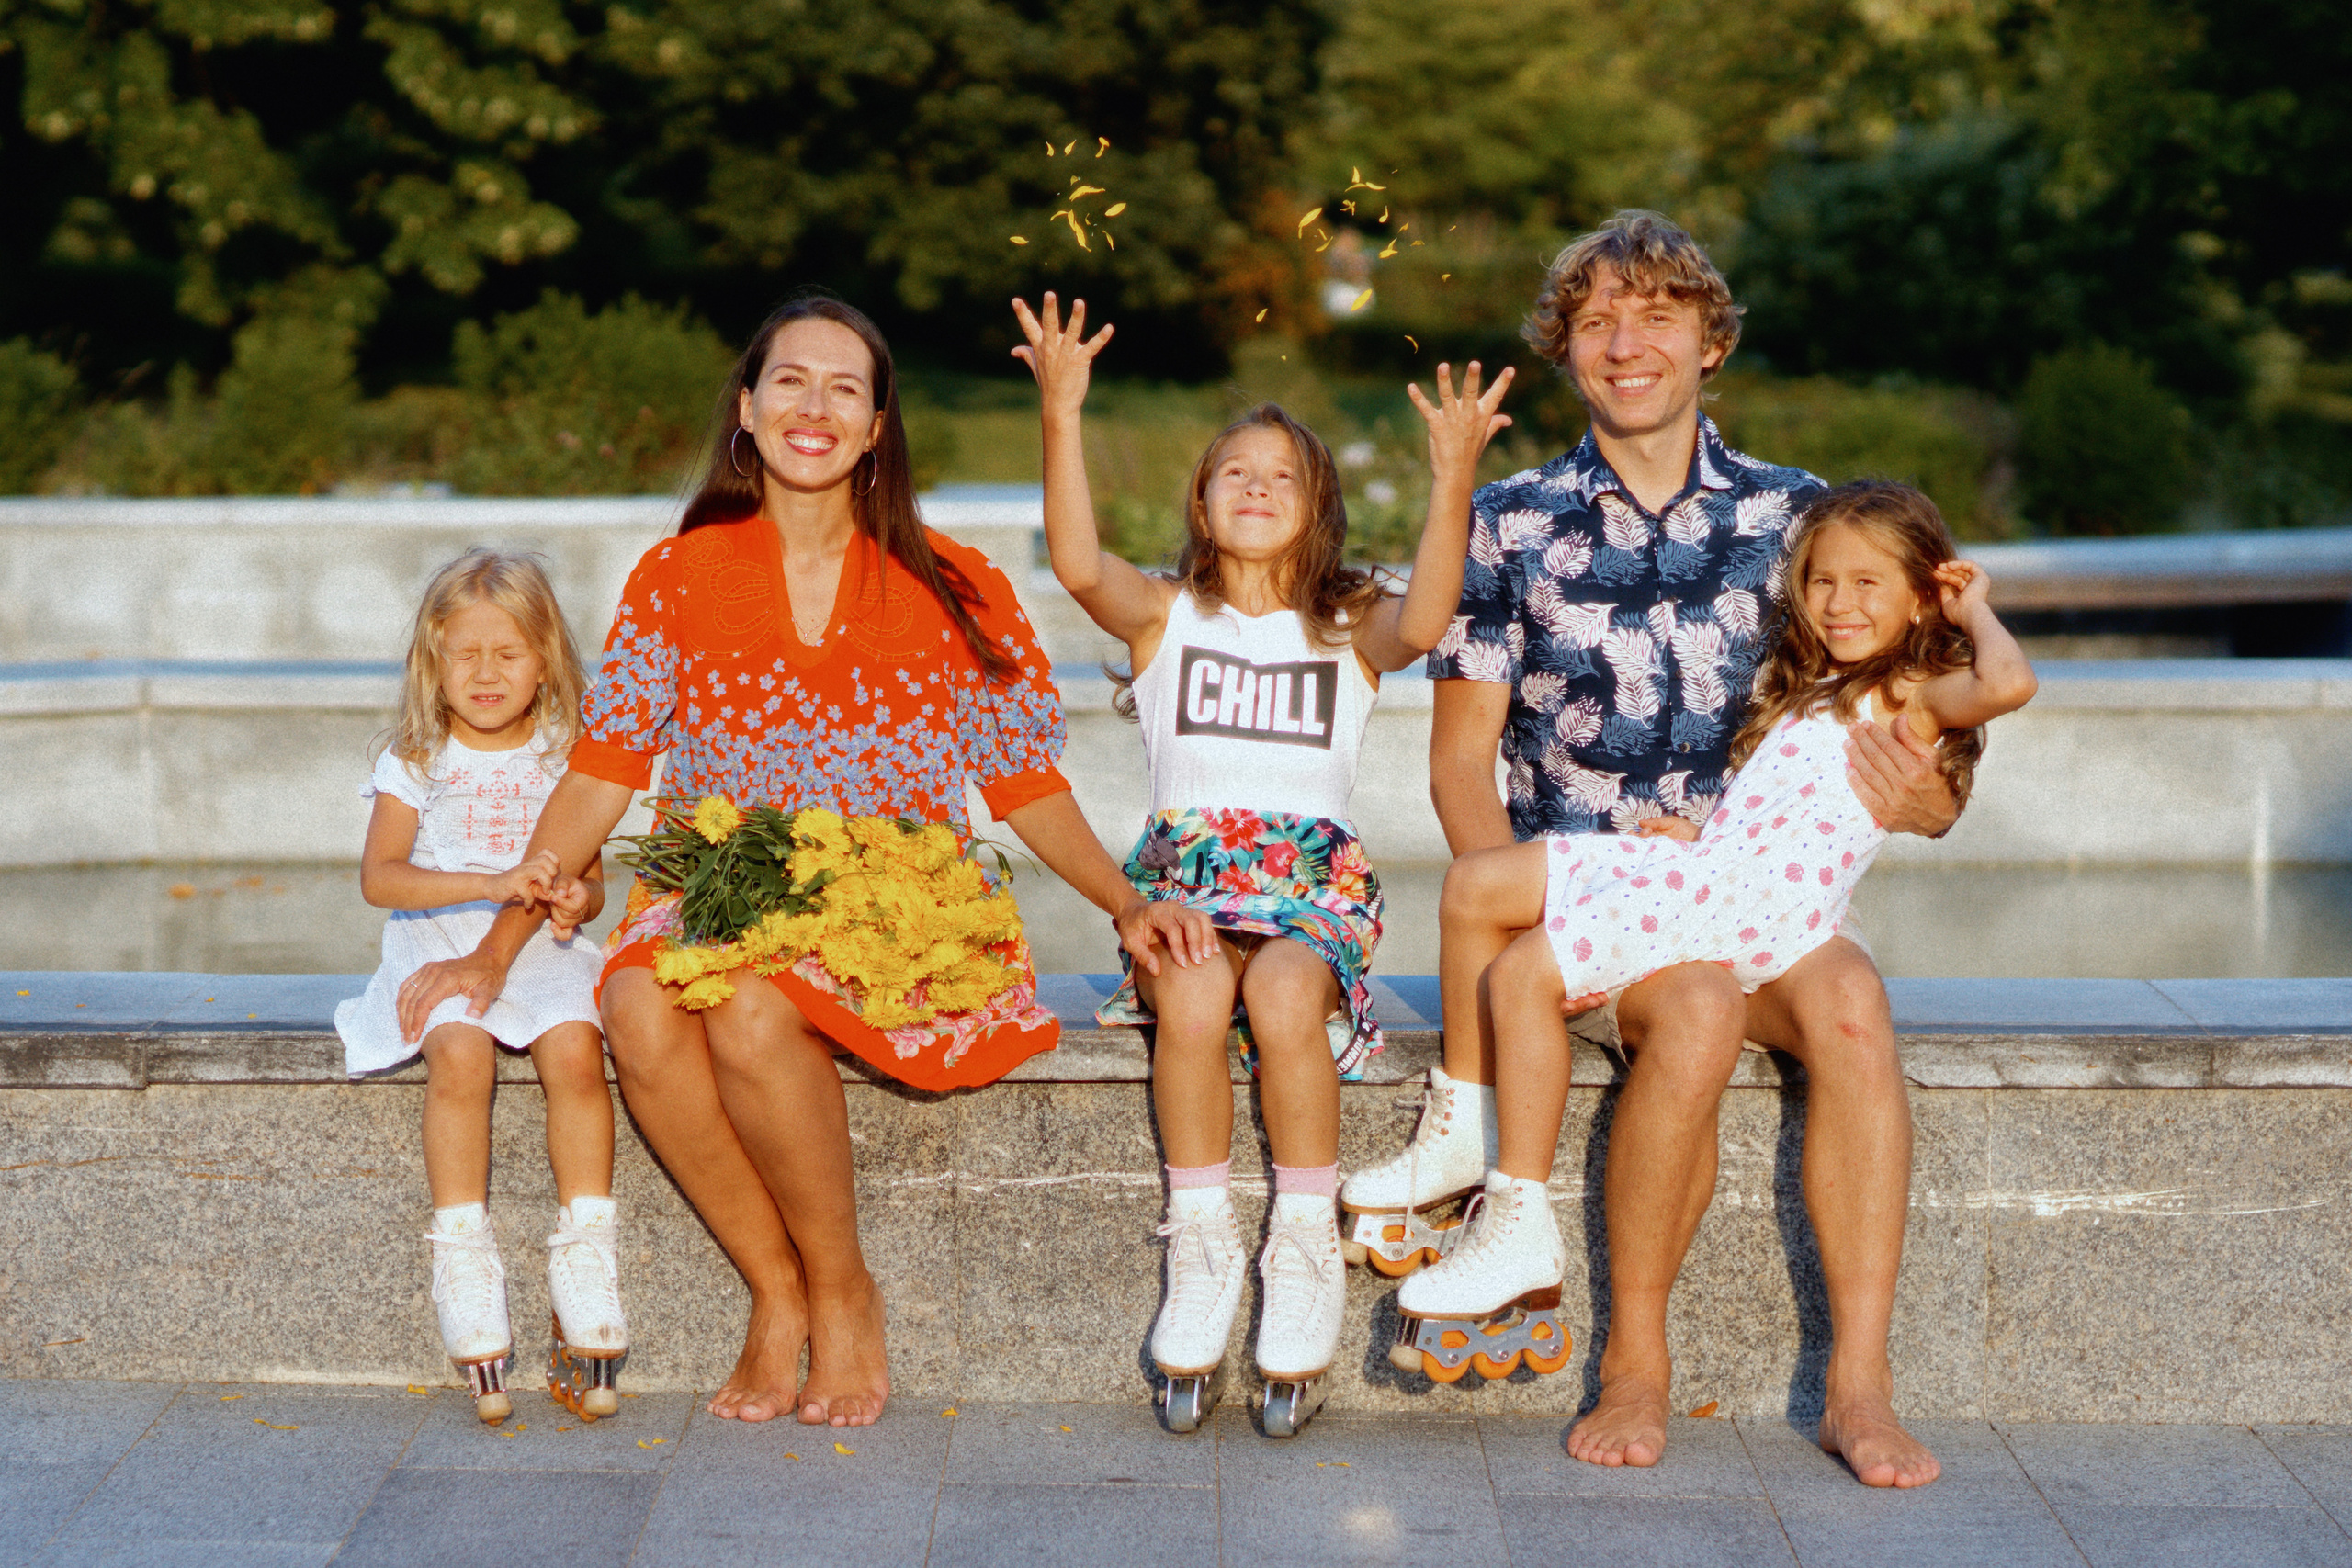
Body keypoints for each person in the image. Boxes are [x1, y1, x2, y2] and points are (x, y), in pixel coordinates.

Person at [394, 294, 1190, 1429]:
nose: (814, 406)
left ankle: (843, 1290)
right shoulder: (680, 575)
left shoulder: (954, 582)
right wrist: (494, 949)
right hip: (719, 885)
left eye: (844, 388)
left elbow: (1023, 784)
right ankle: (775, 1289)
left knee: (749, 1006)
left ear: (875, 429)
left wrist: (1125, 902)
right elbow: (600, 779)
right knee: (637, 999)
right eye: (790, 381)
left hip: (895, 903)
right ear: (747, 408)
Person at [1340, 210, 1957, 1487]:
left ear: (1710, 340)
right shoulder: (1507, 522)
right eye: (1596, 321)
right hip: (1602, 903)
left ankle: (1859, 1386)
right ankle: (1635, 1362)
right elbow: (1459, 765)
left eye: (1658, 315)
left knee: (1853, 1002)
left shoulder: (1800, 517)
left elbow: (1914, 738)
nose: (1627, 344)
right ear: (1564, 348)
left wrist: (1924, 800)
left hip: (1759, 887)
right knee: (1695, 1005)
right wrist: (1531, 934)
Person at [1011, 291, 1517, 1436]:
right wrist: (1061, 410)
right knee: (1194, 990)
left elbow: (1427, 623)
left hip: (1307, 884)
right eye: (1233, 471)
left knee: (1285, 990)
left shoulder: (1346, 625)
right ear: (1200, 500)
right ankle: (1200, 1238)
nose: (1254, 486)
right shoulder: (1164, 616)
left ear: (1318, 508)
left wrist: (1451, 476)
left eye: (1282, 476)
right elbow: (1078, 563)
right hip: (1186, 878)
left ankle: (1300, 1238)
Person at [1395, 481, 2034, 1387]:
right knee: (1481, 895)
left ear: (1923, 595)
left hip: (1738, 909)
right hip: (1712, 877)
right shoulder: (1818, 688)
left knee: (1522, 967)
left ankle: (1516, 1216)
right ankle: (1476, 1141)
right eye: (1821, 582)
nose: (1838, 603)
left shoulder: (1904, 687)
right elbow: (1791, 810)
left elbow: (2005, 687)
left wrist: (1972, 608)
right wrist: (1703, 833)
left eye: (1867, 584)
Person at [333, 548, 627, 1426]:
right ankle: (462, 1250)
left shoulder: (564, 755)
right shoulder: (418, 757)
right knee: (460, 1053)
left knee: (575, 1049)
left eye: (508, 653)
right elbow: (381, 877)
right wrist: (489, 881)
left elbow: (592, 882)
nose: (487, 673)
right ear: (435, 659)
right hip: (438, 937)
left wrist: (575, 899)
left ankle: (586, 1248)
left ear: (545, 659)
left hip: (535, 940)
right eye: (466, 654)